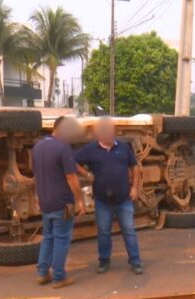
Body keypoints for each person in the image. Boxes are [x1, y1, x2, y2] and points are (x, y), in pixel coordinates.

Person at [75, 117, 144, 275]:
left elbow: (134, 167)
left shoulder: (124, 148)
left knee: (129, 231)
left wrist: (135, 187)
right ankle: (104, 261)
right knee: (104, 232)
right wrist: (86, 174)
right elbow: (72, 161)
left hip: (123, 199)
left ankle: (135, 261)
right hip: (102, 201)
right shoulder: (90, 149)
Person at [31, 116, 85, 289]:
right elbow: (71, 177)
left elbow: (36, 176)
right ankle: (59, 277)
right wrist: (79, 200)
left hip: (45, 201)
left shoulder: (37, 147)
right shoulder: (63, 148)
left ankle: (42, 273)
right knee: (62, 239)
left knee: (48, 237)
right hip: (62, 202)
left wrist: (38, 197)